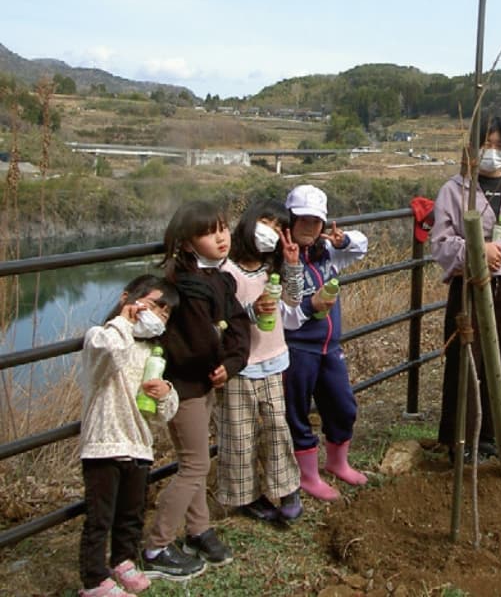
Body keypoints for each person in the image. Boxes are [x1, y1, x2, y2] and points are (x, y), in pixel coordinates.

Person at [141, 201, 250, 579]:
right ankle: (156, 546)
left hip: (205, 382)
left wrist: (232, 363)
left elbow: (237, 325)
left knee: (197, 457)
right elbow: (195, 344)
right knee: (194, 464)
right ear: (187, 242)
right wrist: (221, 361)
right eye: (209, 232)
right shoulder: (180, 286)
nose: (221, 237)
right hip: (182, 386)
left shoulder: (219, 279)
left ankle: (198, 530)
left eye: (223, 228)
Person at [429, 115, 501, 461]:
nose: (492, 152)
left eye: (498, 146)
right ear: (473, 147)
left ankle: (492, 434)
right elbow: (441, 241)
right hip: (467, 286)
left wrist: (497, 257)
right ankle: (458, 438)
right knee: (465, 359)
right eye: (486, 144)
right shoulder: (454, 189)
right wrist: (477, 253)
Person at [78, 274, 180, 597]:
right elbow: (107, 354)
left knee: (131, 513)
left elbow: (164, 413)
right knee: (99, 518)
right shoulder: (102, 337)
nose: (159, 317)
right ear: (127, 299)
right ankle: (94, 579)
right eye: (153, 306)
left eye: (165, 314)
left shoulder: (154, 353)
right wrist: (123, 322)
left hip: (138, 445)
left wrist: (165, 393)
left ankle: (123, 560)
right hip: (104, 443)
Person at [216, 199, 304, 522]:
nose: (272, 232)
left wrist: (293, 264)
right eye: (267, 222)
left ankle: (286, 488)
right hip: (239, 366)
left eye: (280, 228)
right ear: (251, 221)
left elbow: (294, 300)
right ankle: (246, 496)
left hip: (274, 360)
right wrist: (252, 312)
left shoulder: (273, 269)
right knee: (238, 434)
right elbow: (222, 318)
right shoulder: (225, 270)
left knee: (277, 427)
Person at [282, 184, 368, 501]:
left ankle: (337, 463)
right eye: (302, 220)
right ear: (289, 219)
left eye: (316, 221)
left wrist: (343, 240)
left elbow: (361, 246)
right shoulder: (281, 259)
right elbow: (282, 313)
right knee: (297, 412)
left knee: (343, 406)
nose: (309, 227)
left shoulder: (326, 253)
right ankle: (308, 476)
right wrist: (310, 307)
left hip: (330, 347)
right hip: (297, 349)